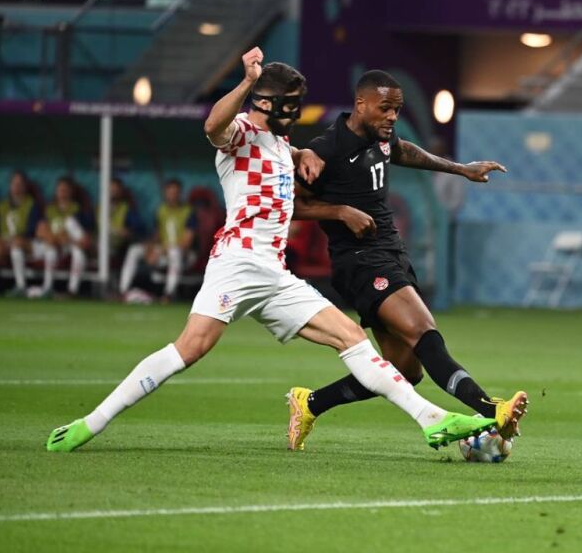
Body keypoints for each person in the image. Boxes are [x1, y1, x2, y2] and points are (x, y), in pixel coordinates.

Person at [46, 48, 495, 453]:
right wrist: (247, 82)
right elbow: (212, 126)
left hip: (274, 273)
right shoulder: (239, 133)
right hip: (238, 263)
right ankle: (91, 423)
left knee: (353, 339)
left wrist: (300, 154)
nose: (297, 112)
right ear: (269, 104)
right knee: (190, 349)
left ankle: (432, 420)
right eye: (292, 104)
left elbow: (286, 157)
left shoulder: (281, 144)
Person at [286, 69, 527, 452]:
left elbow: (402, 151)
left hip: (391, 253)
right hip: (359, 260)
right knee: (423, 330)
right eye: (385, 108)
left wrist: (460, 169)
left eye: (396, 110)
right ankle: (491, 409)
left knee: (403, 371)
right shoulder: (326, 149)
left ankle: (310, 403)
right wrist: (340, 212)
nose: (392, 117)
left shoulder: (382, 138)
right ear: (361, 104)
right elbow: (290, 205)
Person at [118, 179, 197, 300]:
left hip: (185, 255)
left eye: (175, 193)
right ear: (165, 193)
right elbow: (157, 236)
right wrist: (149, 249)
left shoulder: (188, 212)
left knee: (174, 252)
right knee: (134, 250)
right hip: (164, 252)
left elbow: (186, 243)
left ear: (180, 194)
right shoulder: (161, 210)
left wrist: (161, 250)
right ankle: (123, 291)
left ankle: (168, 294)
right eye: (170, 193)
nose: (172, 196)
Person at [35, 177, 94, 296]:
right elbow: (40, 231)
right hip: (54, 242)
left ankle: (72, 290)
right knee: (50, 252)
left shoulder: (78, 209)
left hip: (71, 243)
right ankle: (47, 288)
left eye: (65, 190)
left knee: (79, 254)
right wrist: (53, 238)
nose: (62, 193)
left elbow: (85, 234)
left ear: (71, 192)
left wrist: (68, 239)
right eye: (60, 190)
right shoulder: (49, 209)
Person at [0, 171, 42, 296]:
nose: (17, 187)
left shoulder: (32, 205)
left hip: (25, 242)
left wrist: (17, 239)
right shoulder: (2, 205)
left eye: (20, 184)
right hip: (4, 241)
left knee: (16, 247)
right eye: (14, 184)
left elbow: (32, 230)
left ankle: (21, 286)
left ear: (25, 186)